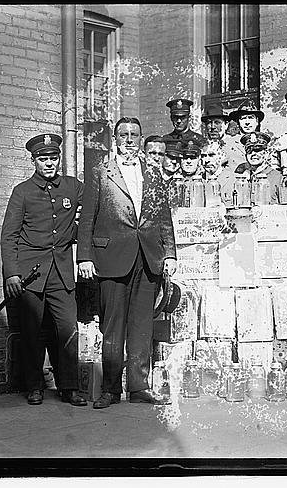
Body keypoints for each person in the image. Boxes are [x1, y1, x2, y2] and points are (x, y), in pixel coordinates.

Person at [76, 117, 177, 408]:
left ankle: (138, 386)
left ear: (140, 137)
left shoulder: (154, 174)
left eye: (134, 134)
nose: (129, 140)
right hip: (111, 258)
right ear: (116, 140)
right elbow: (87, 220)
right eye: (123, 135)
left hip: (147, 258)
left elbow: (163, 218)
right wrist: (84, 256)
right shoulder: (99, 172)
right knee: (113, 327)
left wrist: (169, 253)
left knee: (141, 325)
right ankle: (109, 389)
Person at [1, 133, 86, 407]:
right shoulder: (22, 192)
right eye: (43, 159)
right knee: (31, 332)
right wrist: (12, 273)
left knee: (68, 330)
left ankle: (70, 387)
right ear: (34, 161)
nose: (49, 163)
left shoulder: (73, 187)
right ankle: (34, 386)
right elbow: (9, 236)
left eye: (53, 158)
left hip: (61, 273)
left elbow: (93, 207)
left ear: (59, 159)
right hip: (30, 276)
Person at [235, 132, 282, 205]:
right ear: (246, 155)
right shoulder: (242, 179)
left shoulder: (278, 178)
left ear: (266, 153)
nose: (253, 154)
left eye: (257, 150)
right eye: (249, 151)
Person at [201, 139, 235, 207]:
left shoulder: (233, 180)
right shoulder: (198, 181)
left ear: (223, 156)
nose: (206, 160)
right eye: (203, 156)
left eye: (211, 155)